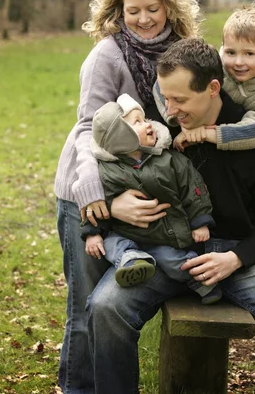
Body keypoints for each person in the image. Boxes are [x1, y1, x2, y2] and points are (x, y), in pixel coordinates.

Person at [86, 38, 255, 394]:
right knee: (106, 308)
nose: (169, 111)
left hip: (234, 256)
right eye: (165, 98)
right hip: (161, 253)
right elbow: (98, 154)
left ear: (213, 89)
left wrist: (235, 259)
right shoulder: (157, 133)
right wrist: (113, 205)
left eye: (180, 100)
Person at [54, 0, 200, 394]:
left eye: (151, 9)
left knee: (113, 300)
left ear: (169, 8)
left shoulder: (182, 50)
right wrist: (102, 199)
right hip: (88, 190)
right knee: (85, 305)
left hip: (141, 189)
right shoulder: (108, 55)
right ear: (119, 10)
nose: (141, 19)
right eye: (131, 10)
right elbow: (83, 132)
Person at [81, 93, 221, 305]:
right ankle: (131, 261)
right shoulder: (108, 172)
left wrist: (200, 221)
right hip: (126, 234)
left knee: (173, 260)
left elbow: (193, 188)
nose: (148, 124)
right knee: (110, 244)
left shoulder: (169, 161)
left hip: (161, 237)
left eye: (145, 119)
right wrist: (92, 233)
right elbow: (98, 205)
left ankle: (201, 281)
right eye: (138, 122)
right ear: (121, 136)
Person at [153, 2, 255, 151]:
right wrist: (180, 121)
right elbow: (163, 85)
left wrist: (208, 133)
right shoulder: (215, 66)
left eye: (249, 54)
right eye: (231, 52)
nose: (238, 62)